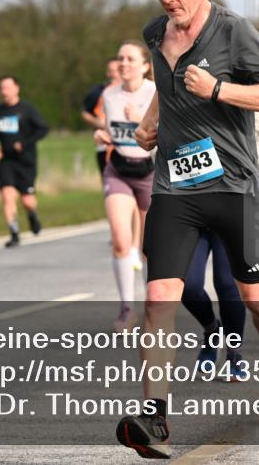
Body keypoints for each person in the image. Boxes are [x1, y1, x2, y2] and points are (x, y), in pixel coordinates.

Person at [116, 0, 259, 459]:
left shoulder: (236, 32)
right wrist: (149, 124)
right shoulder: (156, 34)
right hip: (175, 187)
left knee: (256, 298)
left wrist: (219, 90)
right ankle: (156, 420)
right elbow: (165, 85)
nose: (167, 0)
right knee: (159, 299)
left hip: (234, 185)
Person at [181, 111, 259, 382]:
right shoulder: (179, 95)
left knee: (228, 284)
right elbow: (160, 143)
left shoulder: (243, 95)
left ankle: (234, 353)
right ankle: (211, 330)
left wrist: (237, 155)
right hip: (190, 204)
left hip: (236, 201)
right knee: (186, 285)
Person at [92, 41, 156, 331]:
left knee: (148, 248)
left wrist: (141, 121)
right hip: (118, 169)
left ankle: (152, 308)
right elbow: (113, 130)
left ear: (145, 66)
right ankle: (127, 309)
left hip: (150, 172)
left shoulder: (155, 93)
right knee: (120, 241)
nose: (124, 63)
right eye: (121, 58)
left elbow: (169, 134)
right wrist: (103, 136)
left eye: (130, 59)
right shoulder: (109, 94)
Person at [0, 75, 50, 247]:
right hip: (6, 161)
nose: (4, 91)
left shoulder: (27, 109)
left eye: (7, 87)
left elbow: (43, 129)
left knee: (27, 200)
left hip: (25, 161)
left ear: (16, 89)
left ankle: (32, 215)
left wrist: (24, 143)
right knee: (7, 195)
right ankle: (14, 233)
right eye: (2, 88)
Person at [82, 58, 121, 176]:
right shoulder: (98, 91)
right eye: (110, 71)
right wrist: (98, 123)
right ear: (107, 73)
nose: (113, 74)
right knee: (108, 180)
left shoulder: (135, 90)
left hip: (128, 145)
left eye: (116, 70)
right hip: (104, 145)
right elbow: (85, 112)